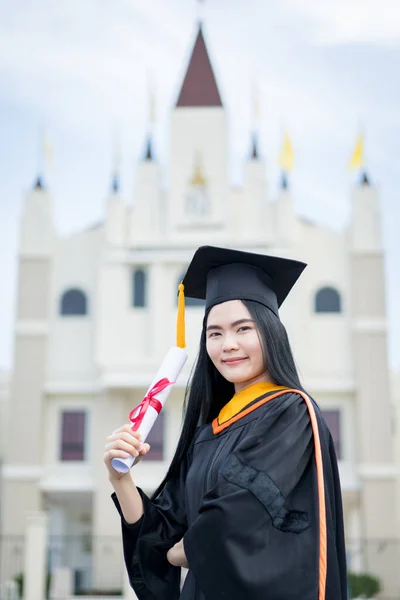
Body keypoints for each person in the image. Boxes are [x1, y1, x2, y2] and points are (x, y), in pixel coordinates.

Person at [104, 245, 348, 600]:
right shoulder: (209, 432)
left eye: (243, 328)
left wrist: (178, 552)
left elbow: (235, 514)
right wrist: (121, 478)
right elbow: (163, 532)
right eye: (214, 333)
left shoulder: (290, 413)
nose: (227, 345)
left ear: (271, 332)